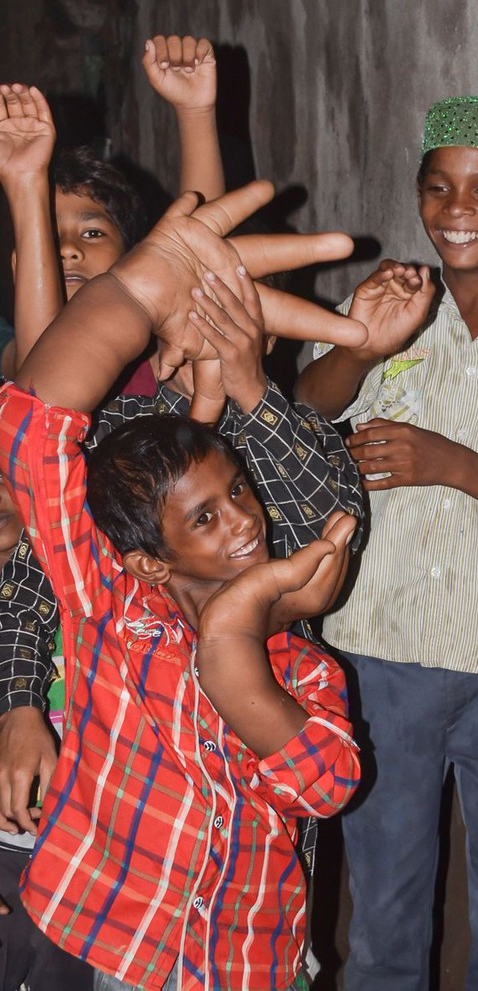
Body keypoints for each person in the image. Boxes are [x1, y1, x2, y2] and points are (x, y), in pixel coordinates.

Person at [0, 181, 361, 991]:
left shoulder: (298, 665)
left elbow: (325, 784)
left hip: (246, 960)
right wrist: (134, 291)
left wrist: (234, 630)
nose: (242, 521)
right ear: (148, 564)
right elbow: (30, 432)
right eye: (204, 518)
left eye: (237, 492)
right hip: (118, 942)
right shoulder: (111, 610)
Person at [294, 95, 478, 991]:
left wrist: (453, 465)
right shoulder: (386, 306)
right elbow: (305, 413)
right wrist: (362, 345)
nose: (457, 209)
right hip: (382, 654)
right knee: (384, 901)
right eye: (438, 187)